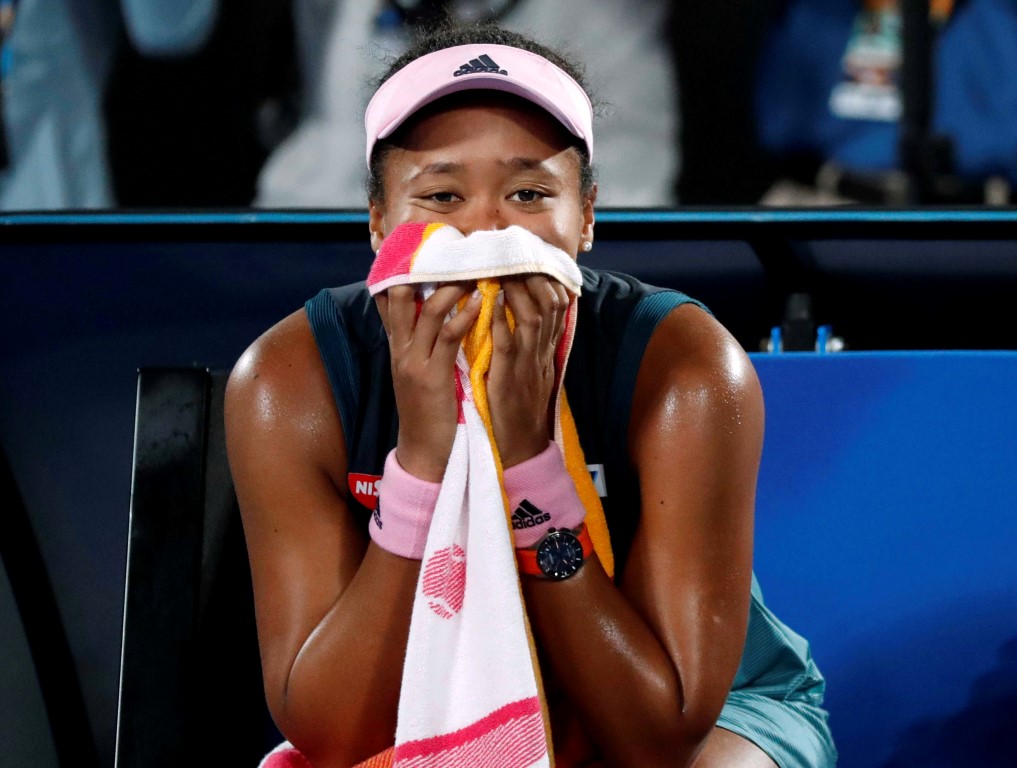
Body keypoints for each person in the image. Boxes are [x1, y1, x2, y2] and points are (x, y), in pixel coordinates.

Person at [225, 20, 836, 768]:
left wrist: (528, 470)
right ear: (379, 222)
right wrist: (421, 463)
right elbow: (335, 732)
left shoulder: (683, 365)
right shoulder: (292, 379)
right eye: (441, 194)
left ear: (584, 218)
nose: (484, 227)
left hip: (703, 712)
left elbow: (656, 734)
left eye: (527, 191)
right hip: (429, 694)